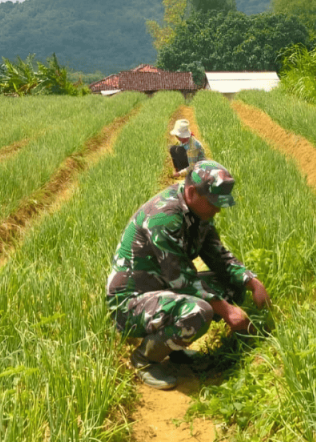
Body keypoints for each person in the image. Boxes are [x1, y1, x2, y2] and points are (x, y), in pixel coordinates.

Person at [107, 160, 271, 389]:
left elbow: (218, 256)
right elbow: (180, 278)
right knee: (199, 311)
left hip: (163, 288)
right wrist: (227, 310)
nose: (218, 209)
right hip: (132, 301)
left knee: (230, 284)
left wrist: (251, 281)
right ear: (192, 192)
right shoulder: (164, 217)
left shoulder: (198, 212)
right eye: (213, 203)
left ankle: (174, 348)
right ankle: (144, 358)